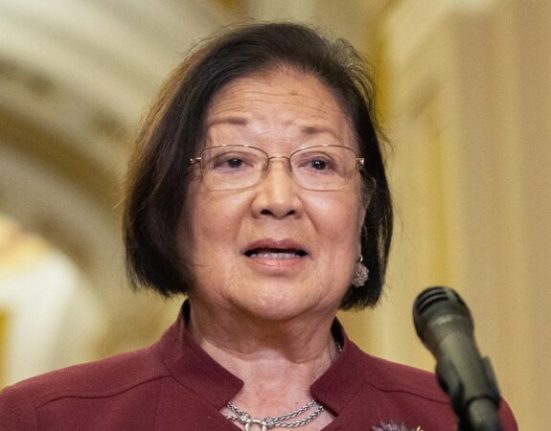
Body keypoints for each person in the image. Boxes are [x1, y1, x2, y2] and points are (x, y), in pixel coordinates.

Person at [0, 22, 517, 430]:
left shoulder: (454, 418)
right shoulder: (45, 419)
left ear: (362, 211)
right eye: (233, 162)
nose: (278, 200)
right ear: (173, 206)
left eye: (318, 163)